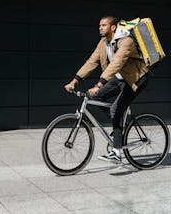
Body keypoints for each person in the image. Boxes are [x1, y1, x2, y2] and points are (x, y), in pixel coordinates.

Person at [64, 15, 150, 163]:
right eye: (99, 25)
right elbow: (91, 62)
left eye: (103, 25)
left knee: (115, 109)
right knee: (97, 98)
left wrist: (99, 85)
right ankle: (119, 128)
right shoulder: (103, 43)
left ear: (113, 27)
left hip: (135, 79)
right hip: (120, 78)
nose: (100, 28)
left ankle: (117, 152)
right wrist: (74, 81)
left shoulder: (126, 41)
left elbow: (116, 63)